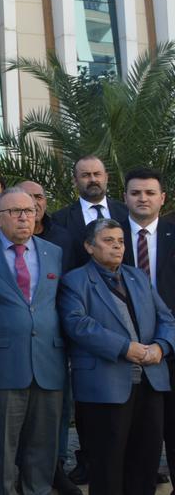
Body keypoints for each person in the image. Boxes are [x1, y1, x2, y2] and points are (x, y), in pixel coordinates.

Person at [58, 218, 175, 494]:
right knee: (107, 465)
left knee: (146, 461)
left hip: (150, 382)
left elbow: (166, 318)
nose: (117, 247)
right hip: (104, 386)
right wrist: (125, 347)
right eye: (108, 241)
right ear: (89, 246)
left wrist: (161, 346)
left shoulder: (138, 277)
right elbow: (78, 324)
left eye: (121, 241)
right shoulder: (74, 281)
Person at [0, 188, 66, 495]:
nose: (24, 217)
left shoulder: (53, 253)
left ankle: (37, 490)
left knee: (44, 444)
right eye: (15, 212)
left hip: (48, 361)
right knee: (2, 445)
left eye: (29, 210)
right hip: (2, 362)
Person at [120, 168, 175, 481]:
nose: (143, 198)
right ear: (125, 197)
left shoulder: (173, 234)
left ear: (162, 198)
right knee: (139, 437)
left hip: (173, 347)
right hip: (128, 351)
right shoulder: (109, 237)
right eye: (136, 193)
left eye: (150, 193)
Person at [52, 155, 129, 271]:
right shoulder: (61, 219)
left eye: (97, 174)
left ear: (106, 177)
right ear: (75, 181)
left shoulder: (126, 212)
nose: (93, 180)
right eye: (86, 175)